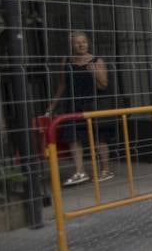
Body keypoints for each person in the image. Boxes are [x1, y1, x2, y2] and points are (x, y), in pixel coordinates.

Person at [45, 31, 114, 186]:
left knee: (98, 138)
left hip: (93, 104)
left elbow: (104, 84)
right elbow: (62, 84)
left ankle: (105, 170)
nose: (81, 45)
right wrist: (52, 105)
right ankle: (80, 171)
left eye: (84, 42)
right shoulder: (67, 61)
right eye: (77, 42)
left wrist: (94, 72)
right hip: (73, 104)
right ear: (71, 45)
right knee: (73, 137)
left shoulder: (96, 60)